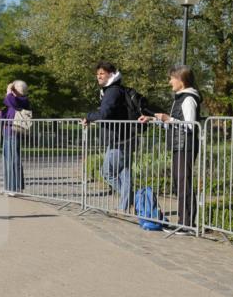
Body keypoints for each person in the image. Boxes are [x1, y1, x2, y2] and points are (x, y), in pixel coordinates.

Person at [140, 65, 202, 230]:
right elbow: (174, 124)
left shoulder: (188, 98)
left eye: (171, 78)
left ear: (180, 80)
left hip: (185, 145)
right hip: (178, 144)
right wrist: (154, 120)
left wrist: (169, 119)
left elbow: (190, 125)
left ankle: (187, 223)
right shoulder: (179, 97)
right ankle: (184, 221)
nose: (169, 82)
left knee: (183, 182)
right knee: (178, 182)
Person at [81, 61, 134, 211]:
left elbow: (104, 114)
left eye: (102, 74)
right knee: (124, 173)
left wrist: (88, 116)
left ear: (111, 74)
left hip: (119, 138)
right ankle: (125, 207)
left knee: (107, 172)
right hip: (123, 136)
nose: (98, 77)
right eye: (97, 74)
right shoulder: (114, 90)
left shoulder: (112, 91)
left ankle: (132, 198)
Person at [0, 80, 30, 193]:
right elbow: (4, 117)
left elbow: (9, 100)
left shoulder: (22, 100)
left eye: (13, 90)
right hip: (7, 133)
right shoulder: (13, 103)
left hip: (14, 133)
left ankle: (15, 187)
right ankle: (10, 187)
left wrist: (9, 90)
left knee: (14, 161)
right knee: (7, 161)